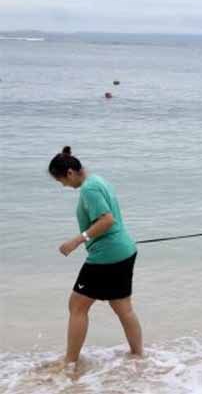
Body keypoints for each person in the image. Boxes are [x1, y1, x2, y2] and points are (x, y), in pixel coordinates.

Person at [48, 146, 143, 367]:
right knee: (123, 308)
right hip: (123, 250)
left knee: (77, 306)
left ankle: (70, 362)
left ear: (70, 173)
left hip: (106, 256)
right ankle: (139, 357)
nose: (63, 185)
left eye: (61, 180)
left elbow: (107, 220)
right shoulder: (98, 180)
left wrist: (76, 240)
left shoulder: (88, 189)